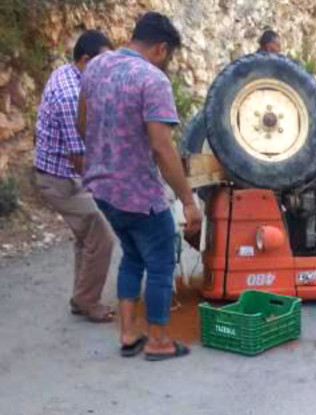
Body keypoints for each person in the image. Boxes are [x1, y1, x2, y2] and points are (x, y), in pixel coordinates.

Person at [77, 11, 202, 361]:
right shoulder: (152, 80)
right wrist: (188, 201)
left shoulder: (97, 67)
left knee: (132, 255)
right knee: (161, 261)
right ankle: (159, 340)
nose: (167, 65)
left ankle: (128, 332)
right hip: (137, 194)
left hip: (102, 189)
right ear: (161, 49)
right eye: (169, 58)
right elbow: (163, 147)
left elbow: (82, 122)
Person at [34, 30, 115, 323]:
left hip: (59, 172)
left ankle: (81, 298)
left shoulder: (67, 74)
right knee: (102, 236)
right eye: (103, 62)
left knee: (87, 235)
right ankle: (87, 301)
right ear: (85, 59)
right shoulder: (72, 96)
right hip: (61, 179)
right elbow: (80, 159)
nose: (108, 69)